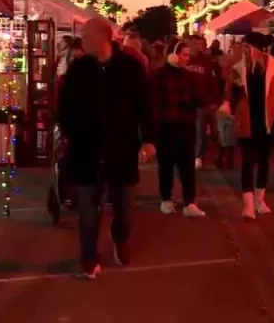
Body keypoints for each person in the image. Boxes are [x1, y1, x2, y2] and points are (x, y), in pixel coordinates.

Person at [58, 17, 155, 279]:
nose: (83, 42)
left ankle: (120, 238)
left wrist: (148, 139)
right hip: (86, 150)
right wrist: (69, 133)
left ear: (102, 38)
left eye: (87, 37)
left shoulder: (129, 68)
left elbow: (144, 106)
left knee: (123, 205)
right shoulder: (79, 69)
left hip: (120, 149)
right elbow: (65, 107)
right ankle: (89, 258)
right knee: (88, 209)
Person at [222, 31, 274, 219]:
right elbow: (228, 93)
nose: (243, 50)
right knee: (247, 162)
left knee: (263, 161)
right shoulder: (238, 67)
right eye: (242, 47)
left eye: (246, 47)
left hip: (268, 121)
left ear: (256, 49)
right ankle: (248, 205)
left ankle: (260, 199)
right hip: (247, 121)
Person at [149, 41, 206, 217]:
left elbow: (200, 98)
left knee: (187, 165)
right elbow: (154, 102)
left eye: (188, 55)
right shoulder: (159, 76)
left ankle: (190, 202)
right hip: (166, 126)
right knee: (166, 164)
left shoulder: (189, 77)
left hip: (186, 126)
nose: (187, 59)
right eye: (184, 54)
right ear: (173, 54)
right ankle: (166, 199)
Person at [186, 34, 221, 168]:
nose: (197, 47)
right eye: (194, 43)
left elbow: (212, 82)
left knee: (200, 130)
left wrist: (215, 100)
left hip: (202, 102)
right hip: (185, 102)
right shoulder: (185, 60)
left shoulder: (206, 62)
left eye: (199, 44)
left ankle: (198, 156)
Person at [215, 40, 245, 169]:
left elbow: (238, 85)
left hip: (234, 102)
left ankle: (227, 160)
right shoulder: (228, 62)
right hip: (225, 101)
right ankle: (223, 158)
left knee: (230, 133)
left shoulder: (242, 66)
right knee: (223, 131)